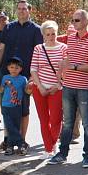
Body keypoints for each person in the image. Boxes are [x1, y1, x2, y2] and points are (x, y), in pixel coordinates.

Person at [0, 0, 43, 151]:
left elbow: (39, 55)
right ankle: (7, 141)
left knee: (23, 110)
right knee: (7, 108)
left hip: (25, 76)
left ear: (29, 10)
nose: (21, 11)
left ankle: (21, 141)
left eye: (24, 9)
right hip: (8, 74)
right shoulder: (8, 28)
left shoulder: (36, 30)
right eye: (19, 9)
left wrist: (34, 77)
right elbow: (1, 50)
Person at [48, 10, 88, 168]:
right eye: (72, 20)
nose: (73, 23)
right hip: (68, 87)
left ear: (86, 21)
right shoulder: (70, 38)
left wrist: (74, 67)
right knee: (68, 123)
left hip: (84, 88)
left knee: (86, 123)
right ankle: (62, 154)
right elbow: (52, 41)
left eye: (76, 20)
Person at [30, 20, 67, 158]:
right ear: (43, 36)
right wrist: (40, 87)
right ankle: (48, 149)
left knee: (56, 118)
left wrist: (57, 85)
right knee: (44, 119)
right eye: (48, 34)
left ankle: (52, 143)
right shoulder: (38, 48)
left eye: (54, 33)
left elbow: (66, 69)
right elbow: (33, 69)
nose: (51, 37)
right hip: (39, 87)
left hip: (57, 88)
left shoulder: (64, 48)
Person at [0, 57, 30, 155]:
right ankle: (21, 144)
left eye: (17, 68)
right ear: (8, 68)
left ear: (21, 69)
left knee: (16, 126)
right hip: (5, 105)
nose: (14, 70)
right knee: (9, 126)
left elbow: (27, 91)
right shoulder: (5, 78)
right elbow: (1, 90)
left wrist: (31, 86)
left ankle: (11, 146)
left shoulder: (23, 79)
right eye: (12, 67)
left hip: (17, 106)